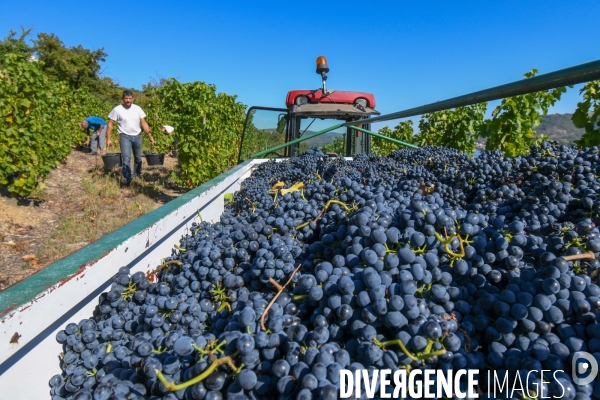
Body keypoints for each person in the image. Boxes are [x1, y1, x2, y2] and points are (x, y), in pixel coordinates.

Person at [106, 91, 155, 185]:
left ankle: (136, 175)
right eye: (126, 98)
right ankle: (127, 178)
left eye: (129, 98)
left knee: (138, 158)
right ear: (123, 99)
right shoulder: (117, 109)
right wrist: (108, 138)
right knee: (126, 158)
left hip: (137, 136)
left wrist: (150, 136)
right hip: (125, 136)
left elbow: (144, 123)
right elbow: (110, 124)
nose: (128, 100)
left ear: (133, 99)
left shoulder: (138, 109)